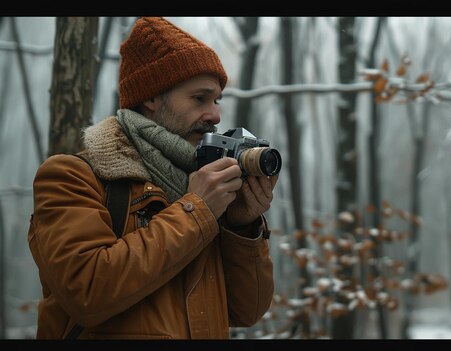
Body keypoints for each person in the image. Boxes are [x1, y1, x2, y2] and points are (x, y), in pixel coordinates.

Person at [27, 17, 277, 339]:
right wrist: (197, 209)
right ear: (152, 98)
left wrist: (241, 227)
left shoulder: (203, 186)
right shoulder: (72, 177)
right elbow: (86, 291)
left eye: (216, 100)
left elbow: (247, 311)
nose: (215, 115)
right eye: (199, 98)